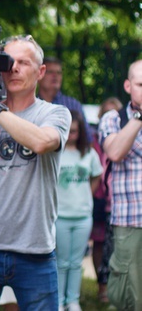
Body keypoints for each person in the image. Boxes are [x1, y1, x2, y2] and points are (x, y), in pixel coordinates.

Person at [0, 34, 71, 310]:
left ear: (41, 71)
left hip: (35, 252)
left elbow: (42, 142)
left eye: (24, 62)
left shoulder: (55, 114)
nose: (15, 68)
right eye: (9, 62)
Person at [98, 59, 142, 311]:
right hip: (130, 221)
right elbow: (114, 151)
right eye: (141, 84)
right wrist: (139, 117)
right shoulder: (113, 118)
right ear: (128, 86)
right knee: (130, 296)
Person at [56, 110, 103, 311]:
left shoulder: (89, 153)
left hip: (83, 216)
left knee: (76, 262)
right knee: (61, 262)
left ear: (81, 131)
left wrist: (86, 195)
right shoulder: (55, 153)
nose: (72, 134)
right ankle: (58, 301)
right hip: (60, 216)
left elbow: (96, 176)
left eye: (75, 131)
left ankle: (72, 300)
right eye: (69, 131)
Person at [92, 96, 123, 303]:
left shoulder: (127, 137)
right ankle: (101, 285)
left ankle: (117, 287)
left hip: (117, 200)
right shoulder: (93, 141)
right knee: (99, 242)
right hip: (98, 197)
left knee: (116, 245)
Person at [39, 56, 93, 138]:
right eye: (50, 72)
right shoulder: (30, 103)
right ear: (39, 75)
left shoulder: (73, 105)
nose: (55, 76)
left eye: (59, 73)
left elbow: (87, 139)